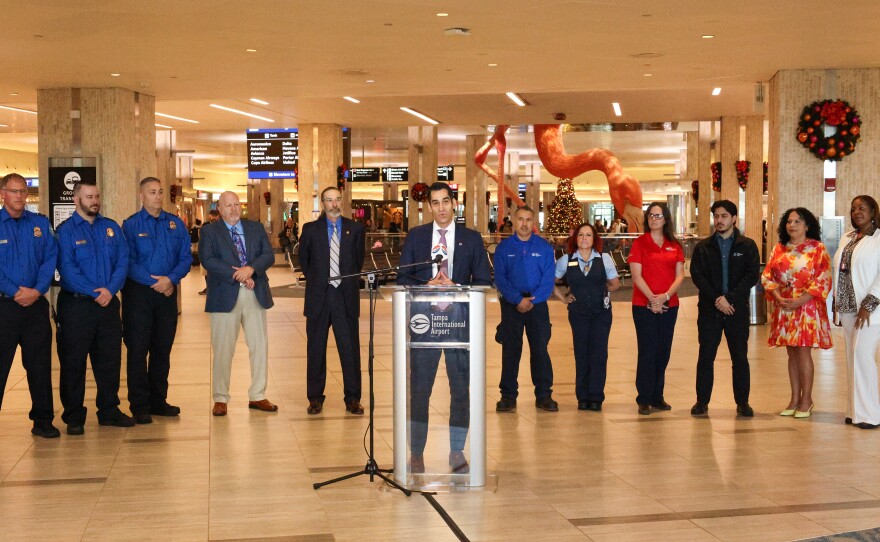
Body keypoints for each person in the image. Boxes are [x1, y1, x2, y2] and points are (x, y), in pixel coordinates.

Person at [397, 181, 491, 474]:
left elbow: (485, 280)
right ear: (429, 207)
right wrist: (425, 285)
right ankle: (416, 453)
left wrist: (458, 285)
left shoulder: (471, 239)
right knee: (419, 390)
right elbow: (403, 277)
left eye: (445, 202)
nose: (441, 208)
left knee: (460, 390)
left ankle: (456, 450)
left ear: (454, 204)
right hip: (423, 324)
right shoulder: (416, 236)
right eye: (435, 203)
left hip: (459, 325)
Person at [56, 181, 134, 434]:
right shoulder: (65, 231)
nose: (95, 201)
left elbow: (123, 261)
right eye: (89, 196)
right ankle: (74, 416)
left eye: (97, 196)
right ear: (76, 199)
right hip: (77, 306)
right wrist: (94, 292)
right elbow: (67, 269)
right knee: (73, 362)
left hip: (108, 305)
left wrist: (110, 290)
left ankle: (109, 410)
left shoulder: (110, 227)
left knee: (110, 361)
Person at [199, 191, 278, 417]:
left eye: (236, 205)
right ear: (220, 209)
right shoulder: (209, 231)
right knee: (223, 349)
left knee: (259, 346)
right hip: (225, 295)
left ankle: (258, 395)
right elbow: (208, 259)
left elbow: (268, 255)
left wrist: (250, 269)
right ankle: (221, 398)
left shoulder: (255, 228)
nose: (234, 210)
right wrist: (239, 275)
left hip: (256, 294)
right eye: (228, 206)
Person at [121, 177, 192, 425]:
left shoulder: (175, 224)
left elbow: (185, 257)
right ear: (141, 196)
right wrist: (157, 283)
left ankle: (158, 401)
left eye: (160, 192)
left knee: (162, 350)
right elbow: (127, 261)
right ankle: (139, 405)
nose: (158, 196)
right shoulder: (130, 225)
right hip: (139, 294)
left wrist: (170, 279)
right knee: (138, 351)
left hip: (167, 295)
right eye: (152, 192)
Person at [0, 173, 60, 438]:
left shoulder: (39, 224)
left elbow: (50, 259)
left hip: (35, 305)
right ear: (3, 193)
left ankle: (43, 420)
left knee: (39, 365)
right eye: (14, 191)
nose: (20, 197)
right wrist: (15, 292)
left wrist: (36, 290)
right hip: (5, 307)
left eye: (23, 191)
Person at [689, 200, 760, 417]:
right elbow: (697, 275)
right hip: (710, 311)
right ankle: (702, 402)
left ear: (734, 218)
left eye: (724, 216)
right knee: (706, 356)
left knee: (739, 358)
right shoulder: (703, 247)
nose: (719, 220)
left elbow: (751, 275)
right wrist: (718, 299)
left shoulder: (747, 246)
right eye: (716, 216)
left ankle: (743, 402)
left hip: (736, 310)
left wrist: (729, 298)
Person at [299, 187, 365, 415]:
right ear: (322, 203)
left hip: (345, 297)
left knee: (350, 350)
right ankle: (315, 398)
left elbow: (357, 261)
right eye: (329, 200)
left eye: (337, 199)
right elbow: (304, 263)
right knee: (315, 349)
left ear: (342, 201)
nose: (334, 204)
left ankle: (353, 398)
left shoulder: (355, 229)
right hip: (319, 297)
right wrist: (320, 281)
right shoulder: (310, 230)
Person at [762, 207, 832, 419]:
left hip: (807, 308)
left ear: (807, 225)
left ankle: (806, 400)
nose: (792, 225)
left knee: (803, 351)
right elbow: (767, 276)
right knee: (791, 352)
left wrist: (800, 300)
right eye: (789, 221)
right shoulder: (779, 249)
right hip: (784, 306)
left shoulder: (817, 248)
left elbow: (824, 279)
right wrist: (780, 298)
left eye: (798, 221)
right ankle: (794, 399)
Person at [495, 206, 558, 413]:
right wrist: (517, 300)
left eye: (528, 220)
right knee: (511, 351)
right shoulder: (504, 248)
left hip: (537, 305)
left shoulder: (545, 248)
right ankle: (508, 396)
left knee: (540, 350)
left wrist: (533, 300)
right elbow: (500, 279)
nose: (524, 224)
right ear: (514, 220)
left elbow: (548, 280)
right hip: (511, 305)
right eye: (520, 219)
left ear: (534, 222)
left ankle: (544, 395)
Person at [553, 222, 620, 411]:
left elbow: (614, 284)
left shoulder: (603, 258)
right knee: (581, 353)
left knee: (599, 354)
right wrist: (563, 297)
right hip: (578, 313)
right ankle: (582, 396)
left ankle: (596, 396)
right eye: (581, 235)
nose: (584, 238)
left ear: (594, 239)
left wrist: (600, 291)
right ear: (576, 239)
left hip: (601, 314)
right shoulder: (566, 260)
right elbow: (550, 280)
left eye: (588, 235)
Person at [629, 202, 685, 415]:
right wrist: (653, 299)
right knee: (648, 350)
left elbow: (680, 275)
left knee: (663, 350)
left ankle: (657, 395)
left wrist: (665, 297)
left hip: (669, 304)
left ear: (666, 219)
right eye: (651, 216)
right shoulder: (640, 243)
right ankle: (644, 397)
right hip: (644, 305)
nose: (654, 219)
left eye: (658, 216)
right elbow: (636, 276)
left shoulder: (674, 245)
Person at [832, 195, 880, 429]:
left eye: (862, 208)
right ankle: (854, 411)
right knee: (851, 359)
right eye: (853, 209)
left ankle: (870, 414)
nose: (857, 212)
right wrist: (836, 301)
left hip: (870, 311)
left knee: (863, 357)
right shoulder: (848, 237)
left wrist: (868, 304)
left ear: (873, 210)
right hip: (848, 308)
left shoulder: (879, 238)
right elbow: (840, 270)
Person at [199, 209, 220, 295]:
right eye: (212, 216)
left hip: (217, 253)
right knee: (206, 272)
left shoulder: (222, 225)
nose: (213, 218)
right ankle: (209, 287)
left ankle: (215, 288)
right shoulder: (205, 225)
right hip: (207, 252)